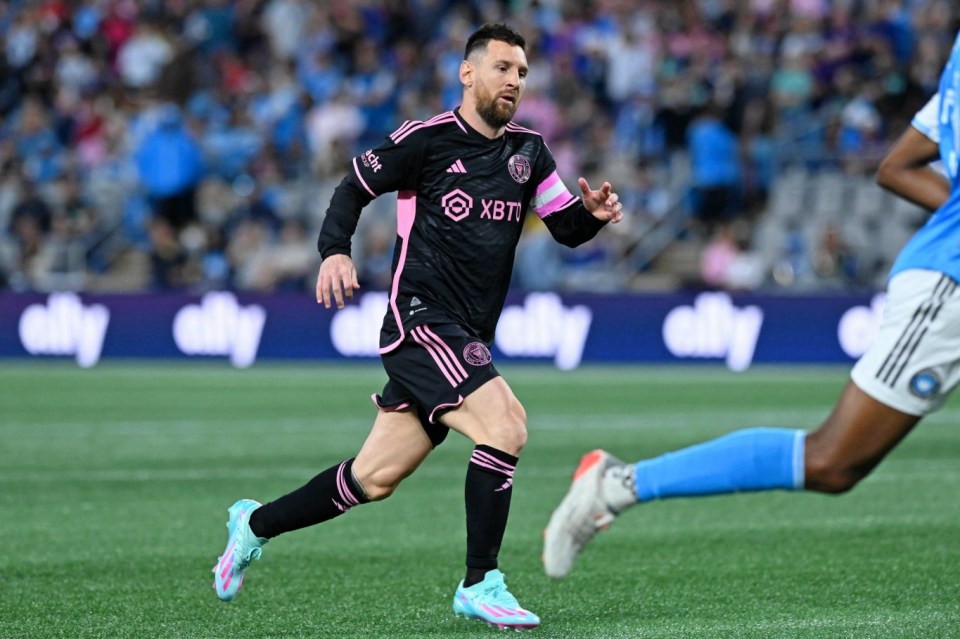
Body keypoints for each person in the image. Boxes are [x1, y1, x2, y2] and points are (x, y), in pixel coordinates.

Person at [211, 23, 624, 629]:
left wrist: (590, 218)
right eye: (503, 68)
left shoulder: (529, 152)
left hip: (466, 333)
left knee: (371, 479)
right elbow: (353, 185)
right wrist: (335, 250)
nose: (514, 81)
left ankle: (253, 524)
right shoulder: (426, 141)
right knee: (506, 424)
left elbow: (563, 225)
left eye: (522, 73)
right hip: (420, 320)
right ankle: (481, 581)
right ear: (468, 72)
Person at [542, 40, 958, 580]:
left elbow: (898, 166)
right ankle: (619, 485)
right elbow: (898, 167)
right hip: (949, 279)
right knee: (834, 460)